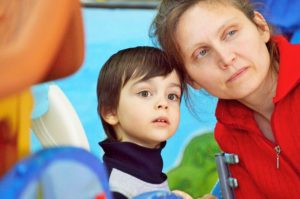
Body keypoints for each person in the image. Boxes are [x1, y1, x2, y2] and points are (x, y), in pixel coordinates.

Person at [151, 0, 300, 198]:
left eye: (231, 33)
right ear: (191, 79)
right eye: (202, 52)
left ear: (261, 27)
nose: (226, 58)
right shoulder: (227, 135)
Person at [96, 46, 197, 199]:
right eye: (145, 93)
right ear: (111, 112)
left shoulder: (150, 173)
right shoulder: (112, 188)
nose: (163, 103)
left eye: (172, 96)